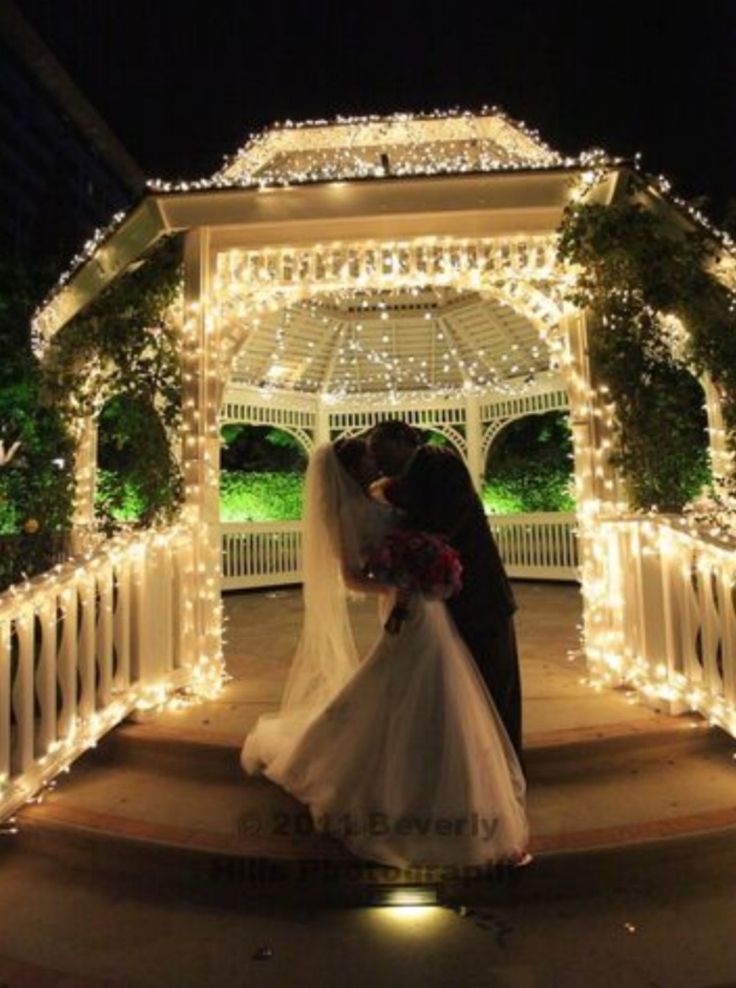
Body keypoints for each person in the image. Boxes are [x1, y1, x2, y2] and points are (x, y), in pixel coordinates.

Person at [241, 439, 529, 869]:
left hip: (427, 609)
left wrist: (420, 575)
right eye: (369, 458)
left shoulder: (389, 488)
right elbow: (354, 577)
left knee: (435, 685)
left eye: (378, 454)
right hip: (408, 604)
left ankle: (436, 773)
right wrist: (401, 585)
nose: (376, 462)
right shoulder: (346, 513)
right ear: (352, 468)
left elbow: (415, 522)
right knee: (409, 683)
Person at [367, 421, 524, 765]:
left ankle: (504, 763)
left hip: (480, 595)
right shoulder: (418, 471)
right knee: (468, 687)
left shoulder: (439, 461)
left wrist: (385, 492)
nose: (377, 461)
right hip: (451, 597)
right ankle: (481, 763)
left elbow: (438, 521)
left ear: (404, 440)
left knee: (494, 682)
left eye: (380, 450)